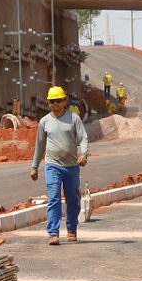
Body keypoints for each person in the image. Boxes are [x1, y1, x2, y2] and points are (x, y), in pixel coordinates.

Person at [29, 86, 89, 246]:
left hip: (71, 166)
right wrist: (34, 166)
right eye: (51, 101)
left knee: (73, 199)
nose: (55, 104)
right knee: (54, 197)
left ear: (64, 102)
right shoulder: (44, 122)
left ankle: (71, 229)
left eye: (58, 101)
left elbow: (83, 138)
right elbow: (40, 145)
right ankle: (53, 233)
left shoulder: (74, 118)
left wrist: (84, 154)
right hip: (52, 166)